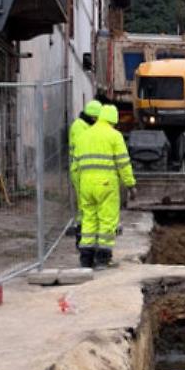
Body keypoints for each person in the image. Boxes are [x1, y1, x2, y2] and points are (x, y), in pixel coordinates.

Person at [71, 104, 136, 269]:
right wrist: (130, 184)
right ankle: (102, 259)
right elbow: (123, 163)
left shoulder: (84, 136)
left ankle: (86, 259)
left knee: (89, 220)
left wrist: (78, 185)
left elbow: (75, 165)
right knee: (107, 220)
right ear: (113, 120)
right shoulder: (115, 136)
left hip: (85, 185)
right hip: (106, 185)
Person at [68, 99, 103, 248]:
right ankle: (81, 238)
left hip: (85, 171)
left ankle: (86, 238)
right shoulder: (80, 127)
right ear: (93, 117)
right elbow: (84, 148)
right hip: (80, 171)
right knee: (84, 207)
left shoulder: (83, 125)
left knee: (87, 206)